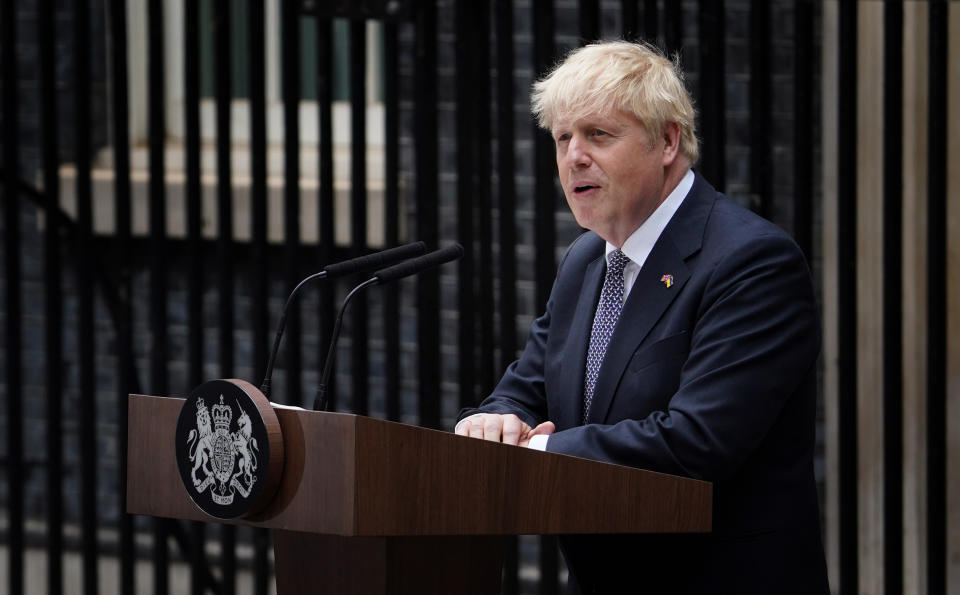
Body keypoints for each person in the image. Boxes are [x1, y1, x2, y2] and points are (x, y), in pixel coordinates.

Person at [455, 40, 828, 594]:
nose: (573, 156)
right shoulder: (587, 259)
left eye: (598, 135)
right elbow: (529, 386)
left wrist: (535, 454)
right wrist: (494, 422)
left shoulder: (751, 261)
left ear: (668, 141)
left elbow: (696, 443)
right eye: (562, 138)